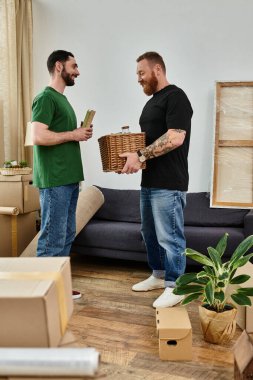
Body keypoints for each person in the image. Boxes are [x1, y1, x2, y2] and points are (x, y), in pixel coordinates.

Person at [120, 51, 193, 308]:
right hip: (149, 181)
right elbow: (148, 142)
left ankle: (177, 285)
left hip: (170, 182)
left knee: (170, 236)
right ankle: (160, 276)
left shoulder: (176, 97)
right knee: (149, 233)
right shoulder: (152, 102)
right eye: (137, 74)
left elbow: (175, 137)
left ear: (157, 69)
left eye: (142, 73)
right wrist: (130, 159)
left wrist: (140, 154)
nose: (139, 79)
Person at [31, 50, 93, 299]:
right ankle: (40, 294)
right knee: (52, 237)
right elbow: (37, 135)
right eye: (74, 66)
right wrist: (73, 134)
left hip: (68, 179)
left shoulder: (62, 99)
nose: (77, 71)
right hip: (54, 179)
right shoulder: (45, 98)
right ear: (59, 66)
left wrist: (78, 132)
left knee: (66, 235)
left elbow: (59, 135)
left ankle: (57, 288)